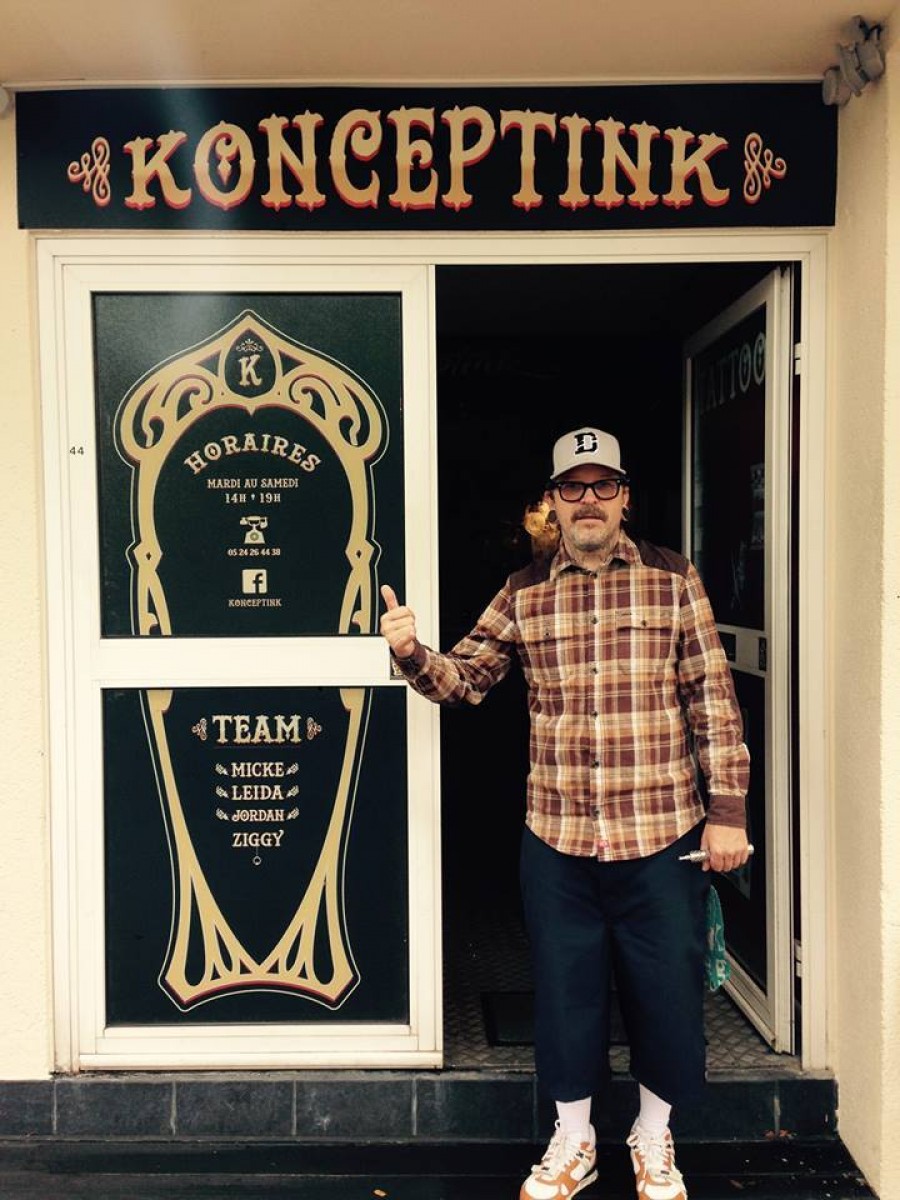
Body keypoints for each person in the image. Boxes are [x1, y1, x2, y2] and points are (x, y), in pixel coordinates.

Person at [380, 427, 750, 1200]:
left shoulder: (673, 579)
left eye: (602, 485)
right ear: (552, 501)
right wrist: (411, 653)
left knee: (666, 991)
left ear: (624, 498)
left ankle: (654, 1138)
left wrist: (727, 812)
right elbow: (467, 680)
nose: (588, 500)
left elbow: (712, 700)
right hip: (558, 834)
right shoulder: (524, 591)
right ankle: (575, 1141)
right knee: (564, 990)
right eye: (572, 487)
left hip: (662, 831)